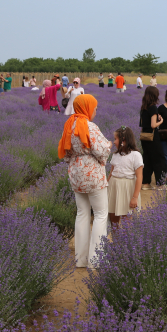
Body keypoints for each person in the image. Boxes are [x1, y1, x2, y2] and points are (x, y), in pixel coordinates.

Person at [59, 94, 111, 268]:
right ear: (87, 108)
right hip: (93, 175)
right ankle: (96, 260)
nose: (95, 111)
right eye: (94, 108)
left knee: (82, 214)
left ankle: (80, 260)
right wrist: (109, 145)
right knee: (101, 214)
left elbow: (65, 153)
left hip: (76, 173)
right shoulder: (89, 126)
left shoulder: (69, 125)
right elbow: (102, 151)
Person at [107, 126, 143, 229]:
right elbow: (111, 173)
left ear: (124, 140)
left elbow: (139, 177)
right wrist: (106, 185)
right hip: (114, 187)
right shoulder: (115, 155)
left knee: (127, 219)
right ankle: (116, 243)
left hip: (127, 189)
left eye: (116, 139)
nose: (114, 142)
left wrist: (135, 197)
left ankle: (126, 244)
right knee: (113, 219)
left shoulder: (136, 155)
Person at [139, 86, 167, 190]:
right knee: (159, 159)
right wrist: (161, 121)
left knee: (147, 159)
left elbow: (143, 125)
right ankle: (160, 184)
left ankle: (146, 183)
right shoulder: (153, 107)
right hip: (152, 137)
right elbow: (153, 125)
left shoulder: (143, 108)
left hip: (144, 137)